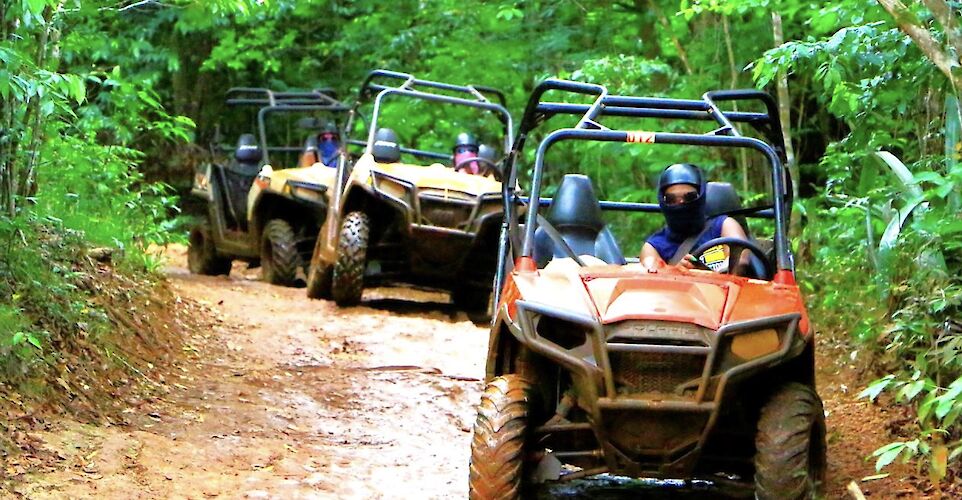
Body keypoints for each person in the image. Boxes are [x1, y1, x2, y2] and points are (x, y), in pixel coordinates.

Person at [640, 163, 750, 272]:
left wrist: (709, 273)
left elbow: (739, 260)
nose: (681, 204)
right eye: (671, 199)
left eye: (690, 197)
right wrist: (676, 272)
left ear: (701, 197)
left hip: (727, 287)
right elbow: (652, 276)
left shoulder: (724, 225)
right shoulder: (654, 247)